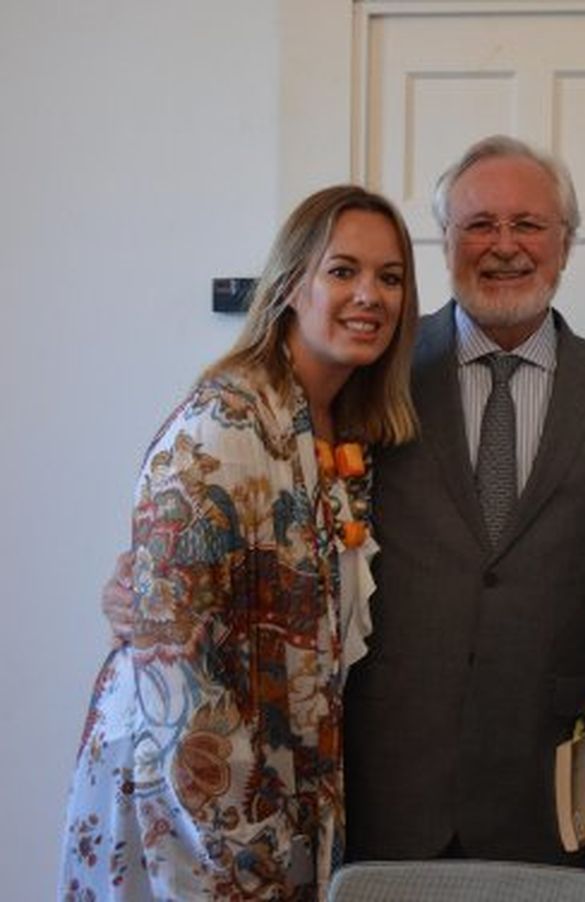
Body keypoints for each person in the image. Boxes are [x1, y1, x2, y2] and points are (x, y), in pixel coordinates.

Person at [60, 185, 421, 900]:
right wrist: (246, 847)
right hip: (189, 814)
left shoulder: (340, 425)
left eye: (390, 277)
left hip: (277, 796)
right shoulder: (222, 426)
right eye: (342, 270)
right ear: (289, 286)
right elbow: (174, 675)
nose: (369, 296)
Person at [341, 135, 585, 864]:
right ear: (445, 240)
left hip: (545, 785)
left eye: (528, 224)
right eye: (479, 224)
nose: (504, 246)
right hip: (389, 775)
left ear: (566, 243)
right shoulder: (376, 370)